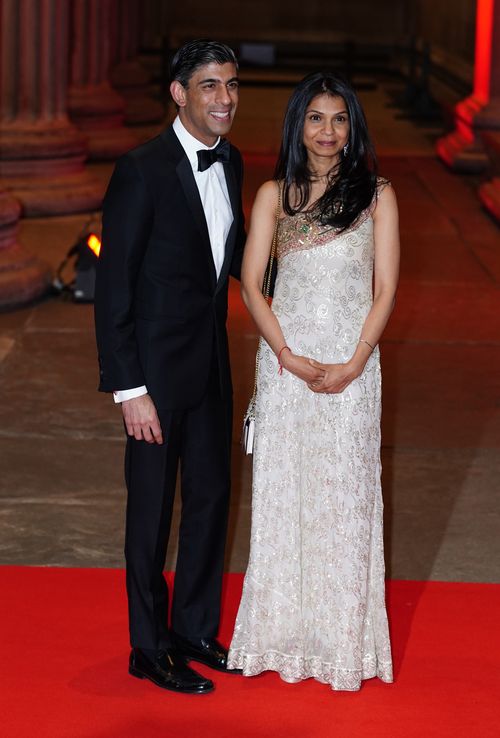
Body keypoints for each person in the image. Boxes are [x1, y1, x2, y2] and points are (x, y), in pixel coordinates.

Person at [227, 72, 399, 691]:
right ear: (297, 126)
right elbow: (252, 284)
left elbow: (385, 290)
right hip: (286, 368)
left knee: (345, 499)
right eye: (316, 119)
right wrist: (287, 355)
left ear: (353, 128)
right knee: (286, 496)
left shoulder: (378, 194)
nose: (328, 132)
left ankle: (341, 642)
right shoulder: (274, 194)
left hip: (354, 370)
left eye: (340, 119)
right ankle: (279, 633)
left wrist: (356, 361)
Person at [94, 39, 245, 695]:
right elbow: (115, 289)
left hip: (211, 366)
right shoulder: (141, 170)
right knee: (152, 516)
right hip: (153, 379)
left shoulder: (232, 163)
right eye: (210, 86)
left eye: (232, 85)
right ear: (179, 94)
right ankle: (148, 647)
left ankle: (193, 629)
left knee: (212, 501)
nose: (225, 99)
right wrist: (130, 389)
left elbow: (231, 266)